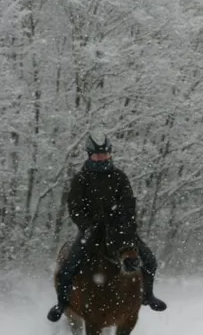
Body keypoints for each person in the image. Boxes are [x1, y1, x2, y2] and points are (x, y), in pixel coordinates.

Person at [47, 134, 167, 322]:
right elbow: (75, 207)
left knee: (149, 260)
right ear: (89, 155)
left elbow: (128, 203)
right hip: (91, 230)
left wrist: (124, 221)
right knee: (69, 265)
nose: (102, 158)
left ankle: (148, 295)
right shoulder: (81, 178)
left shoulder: (119, 176)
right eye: (97, 155)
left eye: (105, 154)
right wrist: (86, 226)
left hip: (119, 230)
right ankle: (62, 303)